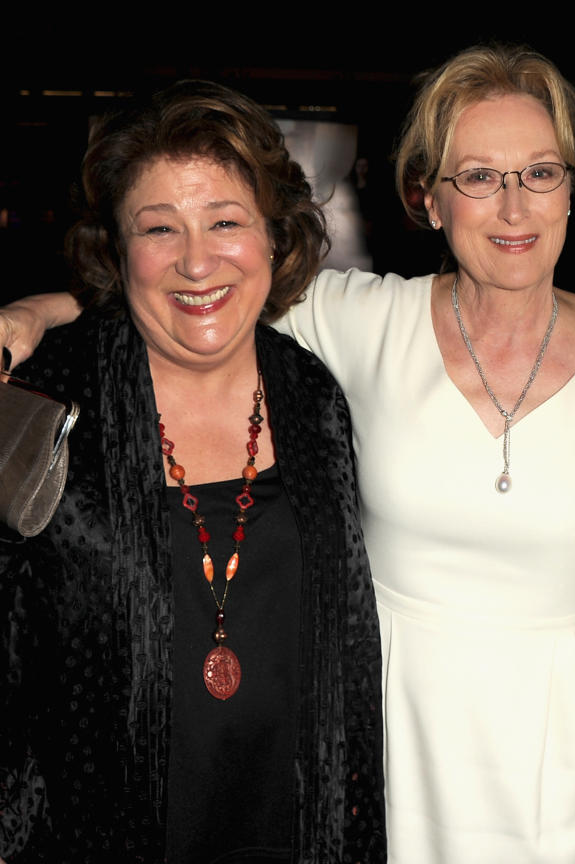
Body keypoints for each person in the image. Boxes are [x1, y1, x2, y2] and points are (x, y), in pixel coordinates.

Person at [0, 52, 575, 864]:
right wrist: (40, 316)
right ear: (428, 196)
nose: (513, 206)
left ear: (573, 187)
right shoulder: (357, 319)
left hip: (560, 756)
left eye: (540, 173)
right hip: (385, 737)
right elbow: (200, 289)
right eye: (478, 176)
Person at [0, 81, 385, 862]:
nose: (197, 259)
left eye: (225, 221)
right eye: (158, 228)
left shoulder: (313, 400)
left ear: (275, 238)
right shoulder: (44, 400)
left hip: (289, 832)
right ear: (117, 248)